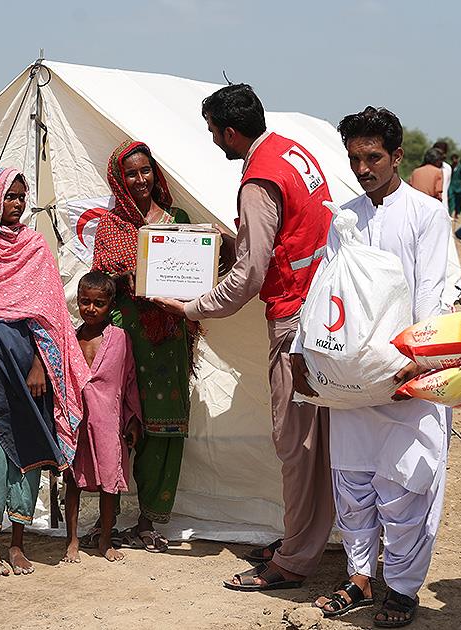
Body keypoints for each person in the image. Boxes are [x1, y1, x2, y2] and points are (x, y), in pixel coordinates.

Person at [153, 84, 336, 591]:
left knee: (295, 442)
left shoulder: (258, 178)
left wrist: (194, 306)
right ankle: (304, 537)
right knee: (317, 442)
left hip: (295, 319)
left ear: (231, 131)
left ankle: (295, 559)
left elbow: (252, 272)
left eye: (213, 131)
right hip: (325, 312)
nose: (213, 140)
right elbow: (289, 236)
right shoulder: (295, 153)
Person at [297, 107, 451, 627]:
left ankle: (403, 589)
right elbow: (326, 292)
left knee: (407, 486)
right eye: (355, 158)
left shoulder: (425, 215)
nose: (363, 168)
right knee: (354, 484)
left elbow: (433, 292)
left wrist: (420, 363)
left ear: (397, 155)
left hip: (408, 378)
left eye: (373, 157)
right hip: (351, 382)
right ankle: (359, 577)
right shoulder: (345, 217)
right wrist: (303, 351)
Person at [0, 167, 90, 577]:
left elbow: (48, 317)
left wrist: (42, 364)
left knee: (27, 452)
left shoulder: (34, 247)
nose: (17, 204)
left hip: (28, 374)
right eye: (9, 196)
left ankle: (19, 542)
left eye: (22, 197)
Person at [91, 140, 199, 553]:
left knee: (166, 427)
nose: (140, 180)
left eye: (145, 171)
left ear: (155, 173)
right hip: (126, 335)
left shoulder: (178, 220)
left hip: (170, 336)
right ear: (119, 180)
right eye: (131, 174)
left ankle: (148, 520)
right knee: (118, 423)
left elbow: (197, 270)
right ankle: (107, 518)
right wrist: (127, 279)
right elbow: (100, 283)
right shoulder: (111, 225)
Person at [62, 271, 142, 564]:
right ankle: (71, 541)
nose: (91, 309)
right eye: (85, 302)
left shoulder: (120, 339)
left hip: (109, 423)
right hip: (76, 422)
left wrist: (133, 419)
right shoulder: (71, 338)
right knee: (72, 481)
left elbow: (129, 379)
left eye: (99, 303)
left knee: (110, 481)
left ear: (111, 305)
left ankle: (105, 540)